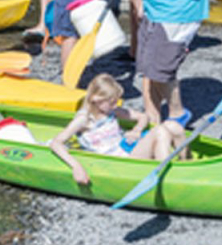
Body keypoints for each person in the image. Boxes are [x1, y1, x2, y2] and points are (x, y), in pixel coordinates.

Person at [50, 73, 186, 186]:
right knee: (160, 131)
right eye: (112, 102)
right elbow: (56, 143)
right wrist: (76, 167)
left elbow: (143, 117)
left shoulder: (112, 111)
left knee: (175, 127)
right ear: (96, 99)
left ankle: (186, 167)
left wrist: (137, 130)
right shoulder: (84, 119)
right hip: (118, 163)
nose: (116, 105)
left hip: (127, 149)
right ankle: (167, 179)